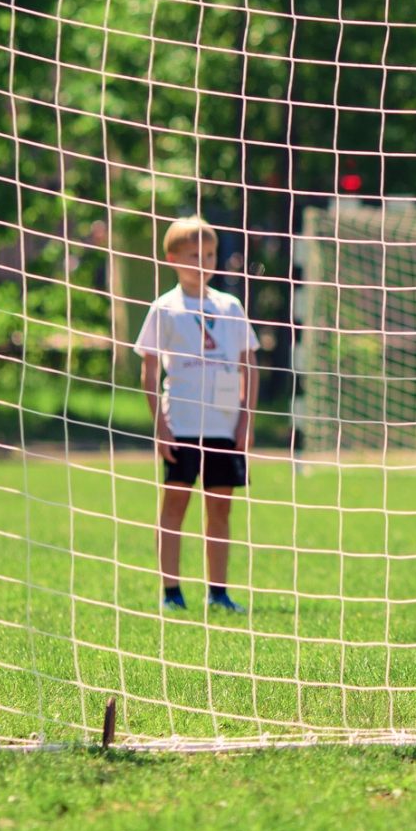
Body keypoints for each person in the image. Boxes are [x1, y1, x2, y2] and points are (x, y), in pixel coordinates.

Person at [134, 216, 258, 615]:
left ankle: (218, 592)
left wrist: (245, 420)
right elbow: (150, 369)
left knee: (220, 509)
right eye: (193, 256)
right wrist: (161, 427)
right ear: (172, 259)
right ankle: (171, 591)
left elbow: (248, 364)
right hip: (182, 424)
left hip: (224, 426)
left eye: (209, 255)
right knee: (174, 507)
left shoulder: (230, 306)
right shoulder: (164, 309)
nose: (203, 263)